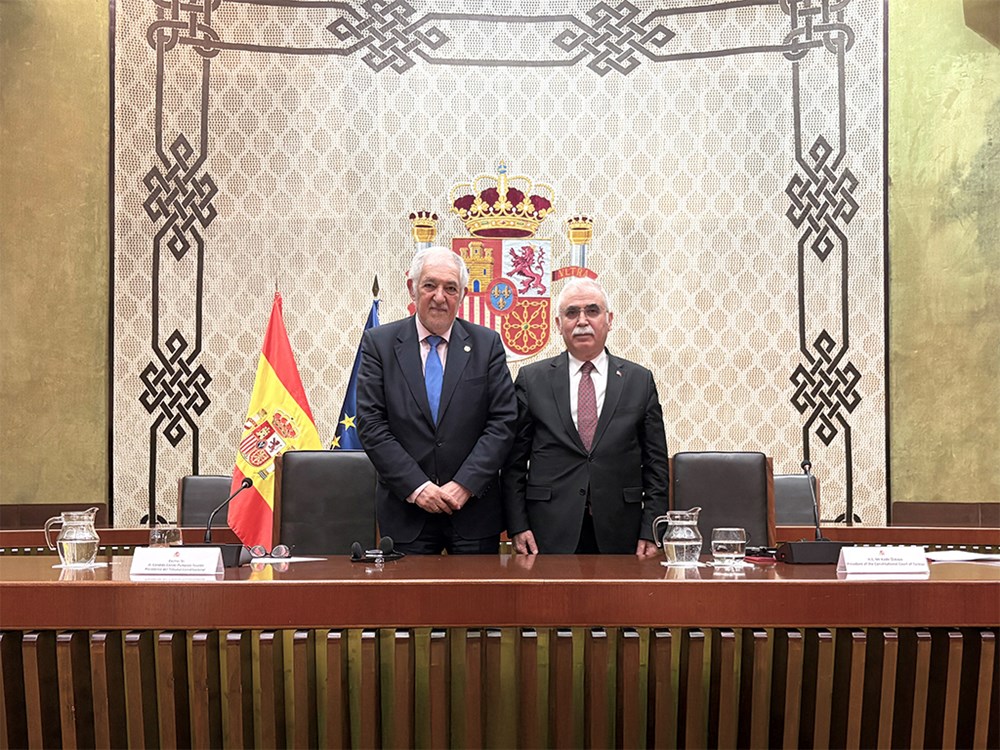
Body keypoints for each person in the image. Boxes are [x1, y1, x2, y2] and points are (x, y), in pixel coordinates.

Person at [356, 246, 517, 554]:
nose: (440, 297)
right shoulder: (380, 344)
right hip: (406, 513)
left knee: (477, 589)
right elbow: (371, 424)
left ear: (463, 295)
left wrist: (465, 484)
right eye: (430, 285)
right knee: (408, 589)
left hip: (473, 513)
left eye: (451, 288)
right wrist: (418, 487)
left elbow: (503, 422)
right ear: (412, 288)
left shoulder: (487, 345)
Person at [502, 278, 669, 556]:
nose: (582, 321)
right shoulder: (532, 380)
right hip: (548, 528)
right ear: (558, 324)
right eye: (571, 313)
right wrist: (518, 526)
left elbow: (656, 464)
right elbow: (513, 464)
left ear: (609, 320)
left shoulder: (639, 380)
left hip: (621, 528)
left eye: (592, 311)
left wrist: (652, 528)